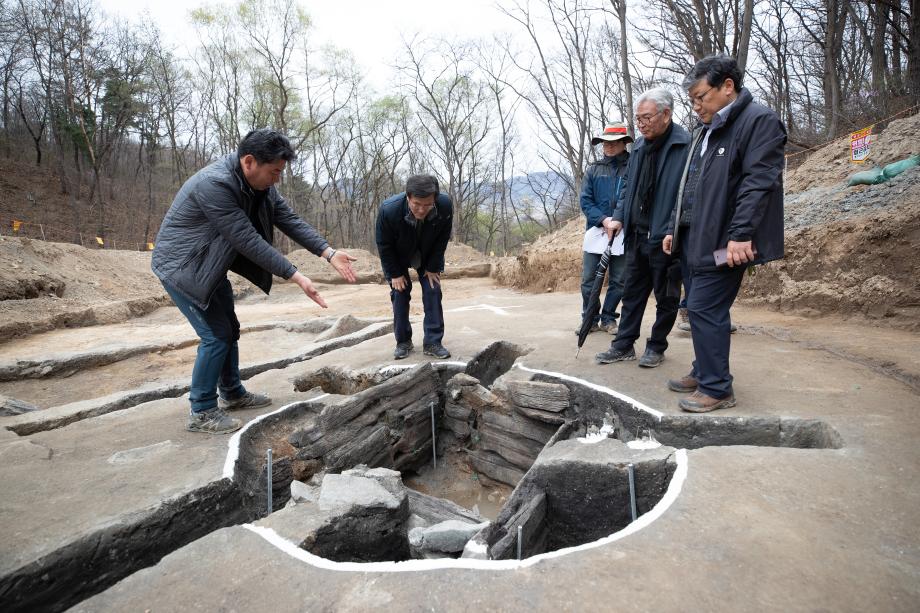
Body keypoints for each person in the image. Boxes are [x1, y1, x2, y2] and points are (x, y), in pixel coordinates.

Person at [152, 128, 357, 434]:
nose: (277, 179)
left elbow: (288, 219)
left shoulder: (259, 185)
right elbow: (246, 239)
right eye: (274, 172)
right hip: (182, 268)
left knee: (229, 330)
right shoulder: (215, 184)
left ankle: (232, 393)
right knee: (215, 335)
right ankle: (202, 410)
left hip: (209, 266)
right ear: (249, 162)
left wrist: (328, 253)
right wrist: (296, 275)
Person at [663, 55, 786, 412]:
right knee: (700, 308)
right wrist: (675, 227)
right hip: (694, 236)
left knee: (704, 308)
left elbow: (758, 183)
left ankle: (717, 388)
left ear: (727, 86)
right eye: (692, 100)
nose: (696, 105)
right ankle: (704, 370)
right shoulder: (707, 129)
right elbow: (690, 185)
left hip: (726, 241)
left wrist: (741, 234)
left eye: (701, 96)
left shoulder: (757, 121)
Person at [595, 88, 690, 368]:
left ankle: (657, 346)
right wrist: (619, 216)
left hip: (666, 236)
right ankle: (623, 345)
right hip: (637, 234)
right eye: (638, 118)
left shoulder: (684, 145)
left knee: (667, 296)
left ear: (666, 114)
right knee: (632, 293)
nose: (642, 123)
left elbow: (687, 194)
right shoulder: (638, 147)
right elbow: (628, 189)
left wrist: (675, 228)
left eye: (647, 117)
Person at [376, 174, 453, 360]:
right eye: (416, 204)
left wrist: (433, 266)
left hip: (428, 253)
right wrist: (395, 273)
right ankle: (403, 342)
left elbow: (443, 237)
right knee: (400, 293)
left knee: (433, 289)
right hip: (398, 254)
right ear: (408, 197)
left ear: (434, 199)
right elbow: (383, 244)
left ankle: (433, 342)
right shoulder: (389, 210)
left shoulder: (444, 205)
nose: (421, 209)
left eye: (427, 205)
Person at [576, 122, 632, 336]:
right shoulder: (594, 169)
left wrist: (618, 220)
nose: (608, 146)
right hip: (595, 231)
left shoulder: (633, 166)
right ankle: (589, 318)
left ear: (623, 143)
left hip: (623, 232)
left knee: (619, 279)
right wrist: (604, 220)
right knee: (589, 279)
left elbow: (631, 198)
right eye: (604, 142)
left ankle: (609, 318)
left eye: (613, 142)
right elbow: (586, 201)